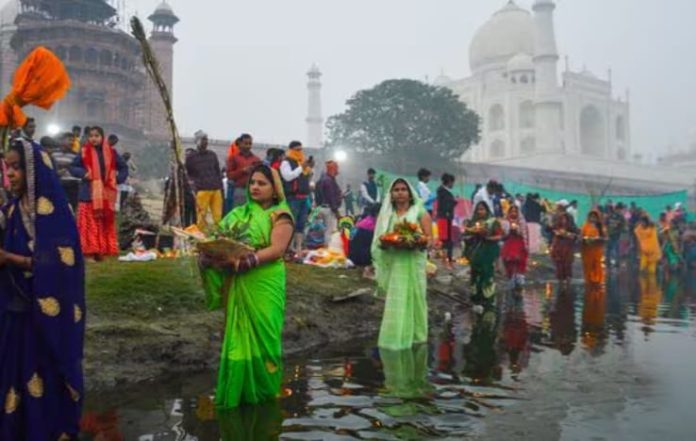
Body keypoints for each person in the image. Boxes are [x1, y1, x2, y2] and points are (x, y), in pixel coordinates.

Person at [0, 139, 85, 439]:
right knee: (13, 380)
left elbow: (58, 267)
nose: (8, 174)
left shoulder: (55, 216)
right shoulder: (9, 211)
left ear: (33, 171)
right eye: (6, 167)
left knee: (43, 380)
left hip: (44, 321)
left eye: (15, 168)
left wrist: (9, 258)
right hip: (15, 313)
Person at [199, 164, 294, 408]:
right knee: (237, 335)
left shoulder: (281, 214)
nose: (255, 187)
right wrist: (210, 256)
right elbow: (219, 238)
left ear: (274, 189)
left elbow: (277, 249)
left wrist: (248, 261)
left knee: (266, 333)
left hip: (265, 280)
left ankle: (265, 393)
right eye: (252, 182)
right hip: (239, 279)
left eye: (262, 183)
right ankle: (238, 393)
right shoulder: (237, 214)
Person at [372, 178, 432, 350]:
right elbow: (381, 238)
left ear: (410, 192)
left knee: (415, 297)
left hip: (414, 262)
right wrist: (387, 243)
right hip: (395, 261)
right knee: (396, 298)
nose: (400, 192)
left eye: (403, 189)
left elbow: (430, 239)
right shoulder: (387, 215)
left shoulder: (419, 211)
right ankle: (394, 337)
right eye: (396, 189)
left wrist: (415, 242)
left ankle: (416, 336)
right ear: (391, 194)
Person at [69, 126, 128, 260]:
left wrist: (117, 179)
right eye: (91, 136)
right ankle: (88, 252)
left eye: (97, 136)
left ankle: (100, 251)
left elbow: (124, 167)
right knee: (88, 224)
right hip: (88, 193)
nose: (94, 138)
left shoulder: (111, 152)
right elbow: (72, 167)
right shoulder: (84, 152)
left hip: (105, 193)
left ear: (102, 137)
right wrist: (84, 173)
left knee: (102, 222)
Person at [464, 202, 503, 305]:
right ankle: (476, 295)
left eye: (482, 209)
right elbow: (466, 235)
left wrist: (488, 237)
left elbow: (499, 236)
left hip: (489, 249)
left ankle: (487, 296)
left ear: (487, 210)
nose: (480, 211)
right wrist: (472, 234)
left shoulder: (493, 222)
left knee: (487, 271)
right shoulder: (472, 222)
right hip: (476, 249)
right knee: (475, 270)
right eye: (478, 209)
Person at [185, 130, 223, 230]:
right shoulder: (191, 157)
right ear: (197, 141)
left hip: (215, 189)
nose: (205, 142)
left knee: (218, 216)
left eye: (206, 140)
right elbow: (188, 174)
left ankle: (219, 235)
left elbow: (217, 171)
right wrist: (194, 185)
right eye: (203, 140)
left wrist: (220, 185)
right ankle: (199, 236)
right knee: (201, 216)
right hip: (202, 190)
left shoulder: (212, 155)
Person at [280, 141, 313, 256]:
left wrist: (309, 168)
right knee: (290, 223)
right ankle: (286, 248)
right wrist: (301, 168)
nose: (300, 152)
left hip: (304, 197)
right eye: (297, 149)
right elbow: (288, 177)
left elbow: (306, 178)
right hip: (293, 198)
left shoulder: (302, 162)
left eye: (301, 149)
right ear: (291, 150)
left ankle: (298, 248)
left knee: (301, 224)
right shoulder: (286, 162)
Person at [226, 133, 261, 208]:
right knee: (239, 214)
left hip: (254, 190)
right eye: (246, 143)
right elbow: (229, 175)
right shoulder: (233, 157)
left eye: (250, 143)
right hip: (240, 190)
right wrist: (243, 170)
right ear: (240, 143)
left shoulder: (256, 159)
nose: (248, 146)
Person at [549, 201, 579, 284]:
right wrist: (555, 230)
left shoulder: (569, 217)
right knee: (558, 260)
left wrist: (571, 235)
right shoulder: (555, 216)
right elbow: (552, 228)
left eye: (559, 206)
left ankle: (567, 278)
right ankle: (561, 279)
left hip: (567, 242)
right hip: (558, 241)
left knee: (567, 261)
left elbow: (574, 229)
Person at [501, 205, 529, 287]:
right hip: (508, 243)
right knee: (508, 261)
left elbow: (525, 235)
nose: (513, 213)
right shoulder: (505, 222)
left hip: (519, 244)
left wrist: (517, 230)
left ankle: (518, 278)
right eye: (511, 211)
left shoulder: (522, 222)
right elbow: (503, 235)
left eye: (515, 211)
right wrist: (509, 230)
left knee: (518, 261)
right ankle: (511, 277)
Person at [316, 160, 342, 246]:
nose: (338, 171)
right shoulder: (329, 181)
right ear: (333, 169)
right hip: (328, 209)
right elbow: (331, 197)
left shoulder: (322, 180)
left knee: (321, 229)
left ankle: (319, 245)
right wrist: (336, 211)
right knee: (328, 230)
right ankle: (326, 248)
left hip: (321, 207)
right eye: (336, 168)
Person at [436, 173, 456, 268]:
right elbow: (445, 206)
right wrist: (454, 202)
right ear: (449, 182)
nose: (453, 185)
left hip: (446, 218)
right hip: (445, 218)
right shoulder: (443, 192)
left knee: (448, 240)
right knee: (445, 241)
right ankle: (446, 261)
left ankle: (448, 260)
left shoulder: (443, 191)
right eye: (452, 182)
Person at [581, 209, 606, 286]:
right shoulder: (585, 226)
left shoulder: (600, 227)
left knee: (597, 264)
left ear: (597, 218)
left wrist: (597, 239)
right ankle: (588, 281)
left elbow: (604, 238)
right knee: (588, 265)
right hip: (587, 250)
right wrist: (586, 239)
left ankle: (598, 281)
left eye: (594, 217)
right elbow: (581, 237)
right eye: (591, 217)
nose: (593, 219)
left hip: (597, 249)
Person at [605, 203, 626, 267]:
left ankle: (614, 262)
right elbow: (606, 223)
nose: (620, 211)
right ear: (617, 209)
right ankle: (609, 262)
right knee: (611, 248)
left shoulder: (620, 217)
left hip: (615, 235)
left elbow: (623, 226)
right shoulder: (613, 216)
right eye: (620, 210)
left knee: (614, 249)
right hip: (612, 234)